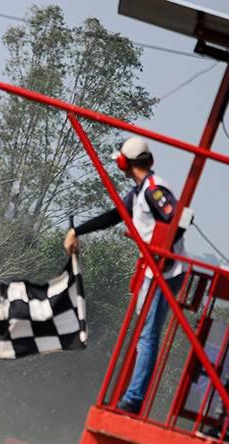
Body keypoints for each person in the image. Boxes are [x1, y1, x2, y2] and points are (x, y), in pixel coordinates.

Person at [63, 136, 186, 415]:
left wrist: (158, 253)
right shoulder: (141, 191)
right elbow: (114, 215)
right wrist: (77, 231)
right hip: (157, 271)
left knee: (148, 337)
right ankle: (133, 396)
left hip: (163, 273)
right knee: (145, 334)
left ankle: (133, 399)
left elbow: (177, 221)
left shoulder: (153, 190)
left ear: (124, 163)